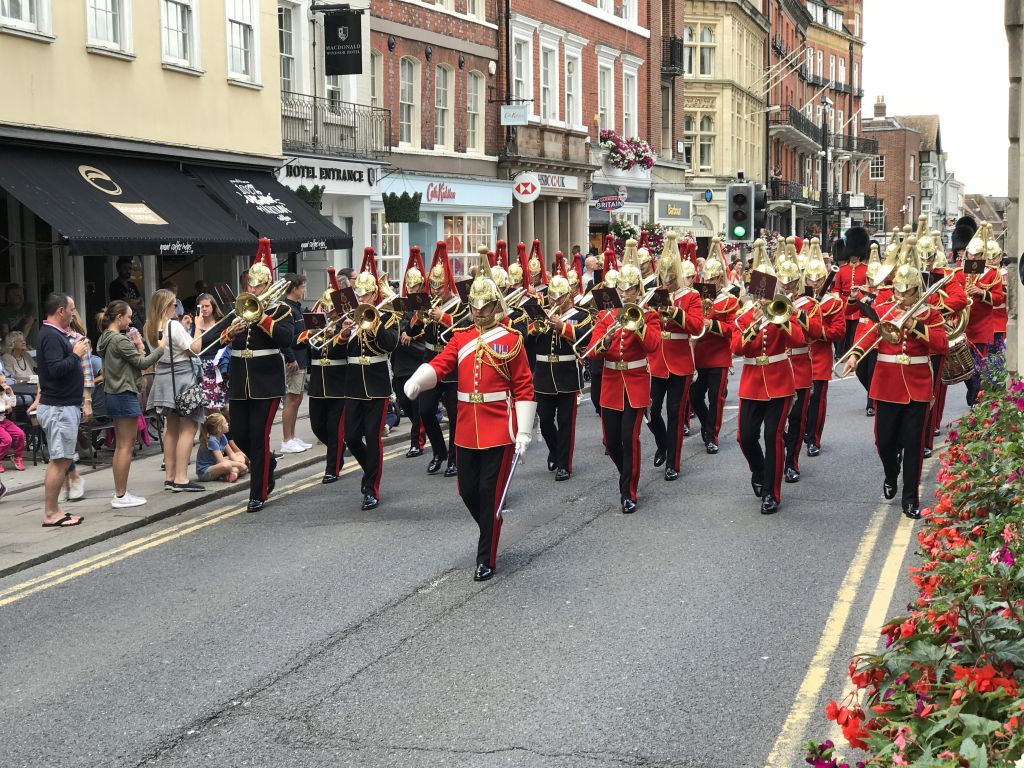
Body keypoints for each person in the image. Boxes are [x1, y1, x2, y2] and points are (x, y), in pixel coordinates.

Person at [404, 252, 535, 581]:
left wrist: (524, 430)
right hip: (466, 427)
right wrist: (419, 379)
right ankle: (491, 526)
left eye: (483, 307)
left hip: (498, 427)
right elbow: (441, 365)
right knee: (467, 492)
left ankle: (486, 558)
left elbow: (523, 386)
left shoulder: (510, 340)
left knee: (490, 493)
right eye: (474, 307)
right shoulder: (461, 337)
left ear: (494, 306)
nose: (477, 312)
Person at [842, 255, 948, 519]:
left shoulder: (930, 312)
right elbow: (868, 335)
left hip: (917, 383)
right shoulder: (884, 307)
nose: (902, 297)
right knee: (884, 440)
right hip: (887, 382)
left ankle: (910, 498)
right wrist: (855, 356)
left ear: (917, 289)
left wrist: (914, 324)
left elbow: (941, 344)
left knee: (914, 444)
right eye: (899, 291)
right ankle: (891, 472)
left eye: (908, 292)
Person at [199, 240, 293, 513]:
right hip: (241, 382)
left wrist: (262, 318)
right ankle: (268, 465)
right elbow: (215, 340)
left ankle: (258, 493)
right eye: (249, 286)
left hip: (267, 382)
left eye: (258, 286)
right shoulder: (237, 309)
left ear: (267, 285)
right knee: (239, 434)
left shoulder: (281, 310)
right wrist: (228, 334)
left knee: (259, 436)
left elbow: (287, 339)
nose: (252, 290)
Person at [585, 240, 661, 514]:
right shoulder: (606, 316)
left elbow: (653, 345)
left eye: (631, 289)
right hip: (611, 384)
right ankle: (625, 473)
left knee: (629, 438)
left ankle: (628, 491)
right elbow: (592, 350)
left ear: (639, 289)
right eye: (622, 289)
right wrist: (603, 343)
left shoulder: (648, 314)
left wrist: (639, 323)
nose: (626, 293)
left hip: (636, 383)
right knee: (610, 442)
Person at [731, 240, 805, 515]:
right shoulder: (745, 316)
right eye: (759, 291)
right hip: (751, 382)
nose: (762, 296)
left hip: (779, 382)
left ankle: (772, 494)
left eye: (766, 291)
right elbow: (736, 347)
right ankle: (759, 471)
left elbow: (798, 340)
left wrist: (782, 320)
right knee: (745, 437)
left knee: (773, 437)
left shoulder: (783, 312)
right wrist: (751, 327)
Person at [340, 248, 400, 511]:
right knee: (351, 437)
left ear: (374, 294)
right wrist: (342, 335)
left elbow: (390, 345)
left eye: (365, 294)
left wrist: (374, 323)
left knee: (372, 437)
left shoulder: (387, 316)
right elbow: (337, 350)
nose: (361, 298)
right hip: (353, 384)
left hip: (376, 384)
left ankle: (370, 489)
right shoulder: (350, 316)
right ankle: (371, 469)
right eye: (359, 293)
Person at [646, 232, 703, 481]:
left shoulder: (692, 297)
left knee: (675, 413)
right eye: (664, 277)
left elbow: (696, 325)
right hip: (657, 360)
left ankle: (673, 462)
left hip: (679, 362)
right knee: (651, 410)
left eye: (671, 278)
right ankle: (662, 443)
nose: (667, 282)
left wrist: (674, 312)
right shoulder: (654, 294)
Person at [97, 300, 165, 507]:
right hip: (124, 394)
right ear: (118, 317)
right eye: (128, 316)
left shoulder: (105, 338)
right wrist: (161, 348)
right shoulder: (119, 340)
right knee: (126, 445)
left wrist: (136, 346)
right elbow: (142, 363)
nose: (130, 320)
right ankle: (120, 495)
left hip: (112, 394)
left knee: (121, 446)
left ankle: (120, 493)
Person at [530, 267, 590, 482]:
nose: (555, 300)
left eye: (560, 296)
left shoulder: (581, 316)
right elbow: (528, 340)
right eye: (552, 296)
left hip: (567, 375)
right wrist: (535, 329)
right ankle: (555, 450)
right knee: (545, 421)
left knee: (566, 423)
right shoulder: (541, 315)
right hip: (544, 376)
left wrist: (563, 327)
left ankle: (564, 464)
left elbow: (585, 339)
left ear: (569, 296)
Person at [36, 293, 90, 527]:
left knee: (62, 459)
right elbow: (57, 369)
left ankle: (55, 509)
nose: (73, 313)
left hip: (62, 406)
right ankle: (50, 513)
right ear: (60, 311)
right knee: (59, 461)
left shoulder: (54, 335)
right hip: (58, 408)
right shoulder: (50, 336)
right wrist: (76, 354)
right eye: (72, 309)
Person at [145, 289, 207, 493]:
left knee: (170, 428)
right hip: (182, 378)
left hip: (163, 378)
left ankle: (169, 477)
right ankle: (181, 478)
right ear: (165, 306)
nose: (176, 307)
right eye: (173, 304)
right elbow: (195, 349)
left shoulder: (149, 327)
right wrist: (197, 328)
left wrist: (186, 330)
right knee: (189, 428)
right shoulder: (173, 325)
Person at [776, 243, 822, 484]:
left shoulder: (810, 306)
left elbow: (815, 332)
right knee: (776, 423)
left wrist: (797, 313)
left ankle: (791, 463)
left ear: (797, 282)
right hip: (776, 367)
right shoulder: (770, 302)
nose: (786, 286)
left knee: (797, 419)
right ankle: (776, 458)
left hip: (800, 366)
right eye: (782, 282)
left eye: (790, 282)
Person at [418, 241, 464, 477]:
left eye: (439, 287)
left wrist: (443, 317)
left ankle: (454, 459)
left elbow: (465, 328)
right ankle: (439, 452)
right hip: (431, 362)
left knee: (455, 414)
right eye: (432, 287)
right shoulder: (427, 304)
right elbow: (416, 332)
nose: (435, 292)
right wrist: (417, 319)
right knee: (425, 410)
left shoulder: (459, 305)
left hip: (453, 367)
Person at [691, 239, 739, 454]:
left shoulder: (730, 301)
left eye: (712, 278)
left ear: (720, 278)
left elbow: (731, 328)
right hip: (700, 355)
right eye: (706, 277)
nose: (708, 281)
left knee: (715, 398)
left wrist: (713, 324)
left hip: (719, 356)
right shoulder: (698, 298)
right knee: (694, 396)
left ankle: (712, 435)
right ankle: (705, 424)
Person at [802, 241, 846, 457]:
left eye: (819, 279)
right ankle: (800, 433)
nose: (816, 283)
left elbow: (838, 332)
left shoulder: (833, 302)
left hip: (820, 358)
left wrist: (816, 328)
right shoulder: (799, 301)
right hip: (799, 359)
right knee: (799, 402)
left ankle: (814, 438)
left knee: (817, 403)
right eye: (811, 279)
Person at [307, 274, 348, 484]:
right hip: (317, 384)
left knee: (334, 427)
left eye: (331, 307)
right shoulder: (319, 324)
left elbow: (342, 350)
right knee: (317, 426)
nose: (329, 311)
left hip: (338, 383)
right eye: (326, 307)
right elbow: (303, 346)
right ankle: (338, 447)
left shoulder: (346, 323)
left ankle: (332, 467)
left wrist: (338, 333)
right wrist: (312, 331)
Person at [963, 220, 1005, 407]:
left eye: (976, 256)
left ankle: (976, 400)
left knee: (979, 367)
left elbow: (998, 298)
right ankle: (973, 393)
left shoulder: (993, 274)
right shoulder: (961, 273)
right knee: (964, 367)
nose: (973, 260)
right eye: (970, 256)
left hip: (982, 327)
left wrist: (981, 292)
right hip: (964, 327)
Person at [394, 248, 428, 458]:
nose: (412, 288)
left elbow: (423, 330)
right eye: (409, 284)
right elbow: (397, 325)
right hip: (400, 361)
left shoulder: (425, 305)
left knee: (417, 405)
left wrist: (410, 333)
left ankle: (417, 442)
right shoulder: (401, 303)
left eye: (415, 284)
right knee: (404, 400)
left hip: (417, 358)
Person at [279, 273, 311, 454]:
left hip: (301, 356)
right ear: (294, 289)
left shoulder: (296, 307)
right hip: (294, 359)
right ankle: (286, 439)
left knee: (298, 398)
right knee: (291, 399)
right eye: (302, 287)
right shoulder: (286, 308)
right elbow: (286, 337)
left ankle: (292, 435)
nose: (304, 290)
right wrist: (290, 358)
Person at [192, 293, 228, 411]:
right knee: (203, 407)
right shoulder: (196, 325)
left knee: (218, 406)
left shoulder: (221, 323)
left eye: (207, 306)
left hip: (216, 366)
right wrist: (196, 326)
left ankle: (221, 429)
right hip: (200, 367)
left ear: (213, 306)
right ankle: (205, 430)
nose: (204, 309)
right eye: (201, 307)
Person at [196, 412, 249, 483]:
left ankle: (232, 474)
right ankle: (233, 472)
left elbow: (231, 454)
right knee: (226, 465)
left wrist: (239, 462)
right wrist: (240, 465)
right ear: (219, 428)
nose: (228, 424)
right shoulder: (212, 440)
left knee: (241, 455)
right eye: (225, 423)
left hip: (216, 464)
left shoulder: (222, 436)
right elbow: (222, 461)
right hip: (206, 471)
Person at [109, 257, 144, 328]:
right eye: (125, 268)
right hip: (122, 323)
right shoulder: (114, 285)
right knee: (124, 338)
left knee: (139, 338)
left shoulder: (132, 285)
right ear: (118, 269)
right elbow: (124, 303)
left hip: (136, 321)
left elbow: (141, 302)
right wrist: (134, 302)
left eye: (130, 268)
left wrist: (132, 302)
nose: (128, 271)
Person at [0, 282, 38, 347]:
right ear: (8, 297)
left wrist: (21, 343)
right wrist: (14, 345)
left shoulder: (29, 306)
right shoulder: (3, 311)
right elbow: (5, 332)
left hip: (28, 345)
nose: (21, 297)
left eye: (22, 294)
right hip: (10, 346)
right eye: (17, 295)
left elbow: (28, 325)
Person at [0, 380, 25, 471]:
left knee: (20, 434)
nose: (5, 384)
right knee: (7, 440)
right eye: (2, 383)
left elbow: (13, 404)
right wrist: (7, 407)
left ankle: (17, 457)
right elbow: (5, 407)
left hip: (3, 420)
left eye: (5, 382)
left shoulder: (3, 394)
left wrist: (11, 392)